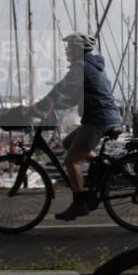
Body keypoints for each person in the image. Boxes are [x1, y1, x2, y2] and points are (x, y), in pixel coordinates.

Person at [29, 33, 123, 220]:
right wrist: (51, 105)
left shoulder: (81, 67)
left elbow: (62, 88)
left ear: (78, 49)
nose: (66, 50)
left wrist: (42, 105)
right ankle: (103, 166)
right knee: (67, 144)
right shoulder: (89, 66)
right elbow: (71, 96)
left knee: (71, 161)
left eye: (70, 47)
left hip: (98, 119)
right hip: (100, 117)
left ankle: (79, 203)